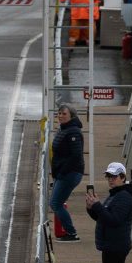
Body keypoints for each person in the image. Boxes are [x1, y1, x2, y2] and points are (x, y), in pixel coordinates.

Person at [50, 103, 84, 241]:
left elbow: (76, 155)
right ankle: (69, 232)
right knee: (57, 202)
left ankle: (71, 233)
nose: (61, 116)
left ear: (71, 115)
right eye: (59, 113)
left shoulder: (73, 132)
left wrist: (62, 171)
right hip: (63, 173)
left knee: (56, 203)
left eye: (64, 113)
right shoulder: (63, 129)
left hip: (70, 173)